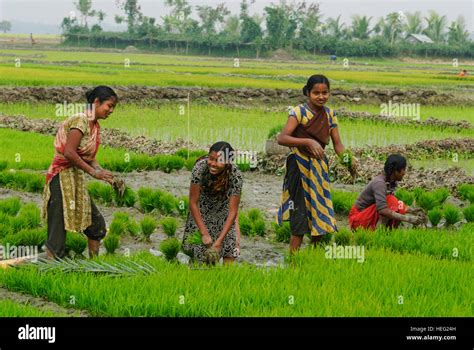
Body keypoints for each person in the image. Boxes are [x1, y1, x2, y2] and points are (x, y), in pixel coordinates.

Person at [276, 74, 357, 254]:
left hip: (319, 168)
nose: (321, 97)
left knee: (319, 208)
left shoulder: (330, 115)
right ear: (307, 93)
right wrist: (307, 142)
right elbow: (282, 138)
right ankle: (294, 259)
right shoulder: (298, 112)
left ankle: (313, 257)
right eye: (316, 93)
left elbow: (338, 145)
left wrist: (348, 161)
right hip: (298, 166)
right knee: (299, 210)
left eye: (325, 93)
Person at [42, 86, 118, 259]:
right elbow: (69, 152)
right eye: (109, 106)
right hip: (61, 178)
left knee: (96, 226)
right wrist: (93, 172)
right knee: (57, 232)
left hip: (76, 179)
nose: (111, 111)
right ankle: (50, 269)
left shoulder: (94, 126)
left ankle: (94, 264)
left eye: (113, 107)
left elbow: (88, 156)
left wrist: (103, 173)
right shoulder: (80, 120)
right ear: (96, 102)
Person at [182, 142, 243, 264]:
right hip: (201, 213)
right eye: (211, 158)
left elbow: (233, 211)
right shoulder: (200, 168)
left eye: (218, 160)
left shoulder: (235, 175)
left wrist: (220, 241)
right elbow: (193, 202)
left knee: (230, 252)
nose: (213, 164)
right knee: (201, 259)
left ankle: (228, 282)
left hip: (224, 215)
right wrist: (204, 233)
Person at [349, 154, 424, 230]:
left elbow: (396, 206)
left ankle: (387, 232)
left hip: (367, 216)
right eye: (403, 169)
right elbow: (383, 210)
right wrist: (408, 219)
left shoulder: (390, 182)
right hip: (358, 220)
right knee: (391, 201)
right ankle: (378, 233)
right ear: (396, 171)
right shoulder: (380, 183)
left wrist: (413, 211)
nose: (404, 172)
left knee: (399, 205)